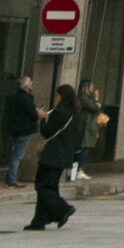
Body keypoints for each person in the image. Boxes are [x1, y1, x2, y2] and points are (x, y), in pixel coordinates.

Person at [24, 83, 80, 229]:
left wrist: (42, 118)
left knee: (42, 187)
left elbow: (46, 132)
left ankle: (62, 209)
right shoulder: (73, 113)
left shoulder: (59, 112)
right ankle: (40, 220)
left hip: (51, 156)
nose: (55, 98)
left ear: (62, 96)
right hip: (63, 156)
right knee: (50, 187)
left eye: (57, 95)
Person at [5, 74, 37, 186]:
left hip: (15, 129)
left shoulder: (15, 97)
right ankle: (12, 180)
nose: (32, 84)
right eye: (30, 83)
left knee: (15, 154)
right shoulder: (26, 98)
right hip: (24, 129)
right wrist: (38, 113)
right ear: (26, 86)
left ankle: (10, 177)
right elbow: (33, 114)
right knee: (17, 155)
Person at [72, 79, 106, 182]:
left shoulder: (86, 98)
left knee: (84, 148)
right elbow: (95, 108)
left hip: (88, 126)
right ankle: (78, 169)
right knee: (81, 148)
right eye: (91, 86)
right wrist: (96, 99)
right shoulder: (84, 99)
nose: (93, 88)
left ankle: (78, 169)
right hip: (84, 126)